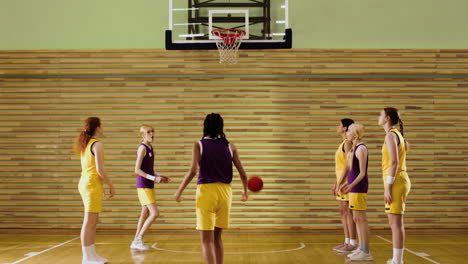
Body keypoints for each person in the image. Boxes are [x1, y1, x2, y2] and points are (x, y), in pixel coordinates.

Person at [174, 113, 248, 264]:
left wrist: (179, 190)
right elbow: (243, 173)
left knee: (206, 241)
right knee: (217, 238)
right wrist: (245, 191)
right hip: (226, 193)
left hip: (206, 193)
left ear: (205, 126)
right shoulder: (230, 146)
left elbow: (193, 171)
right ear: (221, 127)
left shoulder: (198, 145)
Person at [75, 117, 115, 264]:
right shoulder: (97, 144)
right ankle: (86, 257)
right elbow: (99, 169)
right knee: (89, 221)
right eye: (101, 126)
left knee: (93, 221)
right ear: (97, 127)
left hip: (87, 183)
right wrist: (111, 184)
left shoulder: (85, 144)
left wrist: (101, 186)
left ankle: (92, 254)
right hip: (91, 184)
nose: (102, 128)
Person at [379, 107, 411, 264]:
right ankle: (396, 259)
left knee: (396, 224)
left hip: (396, 182)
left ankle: (398, 261)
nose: (378, 117)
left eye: (381, 114)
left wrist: (388, 186)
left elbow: (394, 162)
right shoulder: (395, 135)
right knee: (394, 223)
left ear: (387, 118)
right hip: (398, 180)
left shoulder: (391, 135)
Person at [131, 125, 169, 250]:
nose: (152, 134)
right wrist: (154, 178)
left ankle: (136, 240)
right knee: (155, 213)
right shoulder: (142, 148)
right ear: (142, 135)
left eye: (153, 131)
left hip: (148, 185)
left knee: (145, 213)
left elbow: (149, 169)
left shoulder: (150, 147)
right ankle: (138, 239)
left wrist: (159, 175)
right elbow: (137, 169)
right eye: (148, 132)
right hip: (143, 185)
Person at [332, 118, 358, 253]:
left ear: (345, 128)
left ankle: (353, 242)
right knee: (343, 212)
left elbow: (348, 165)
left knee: (348, 212)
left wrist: (341, 183)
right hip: (341, 182)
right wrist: (336, 183)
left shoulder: (347, 143)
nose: (338, 126)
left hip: (346, 182)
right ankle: (347, 240)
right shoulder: (342, 143)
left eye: (339, 125)